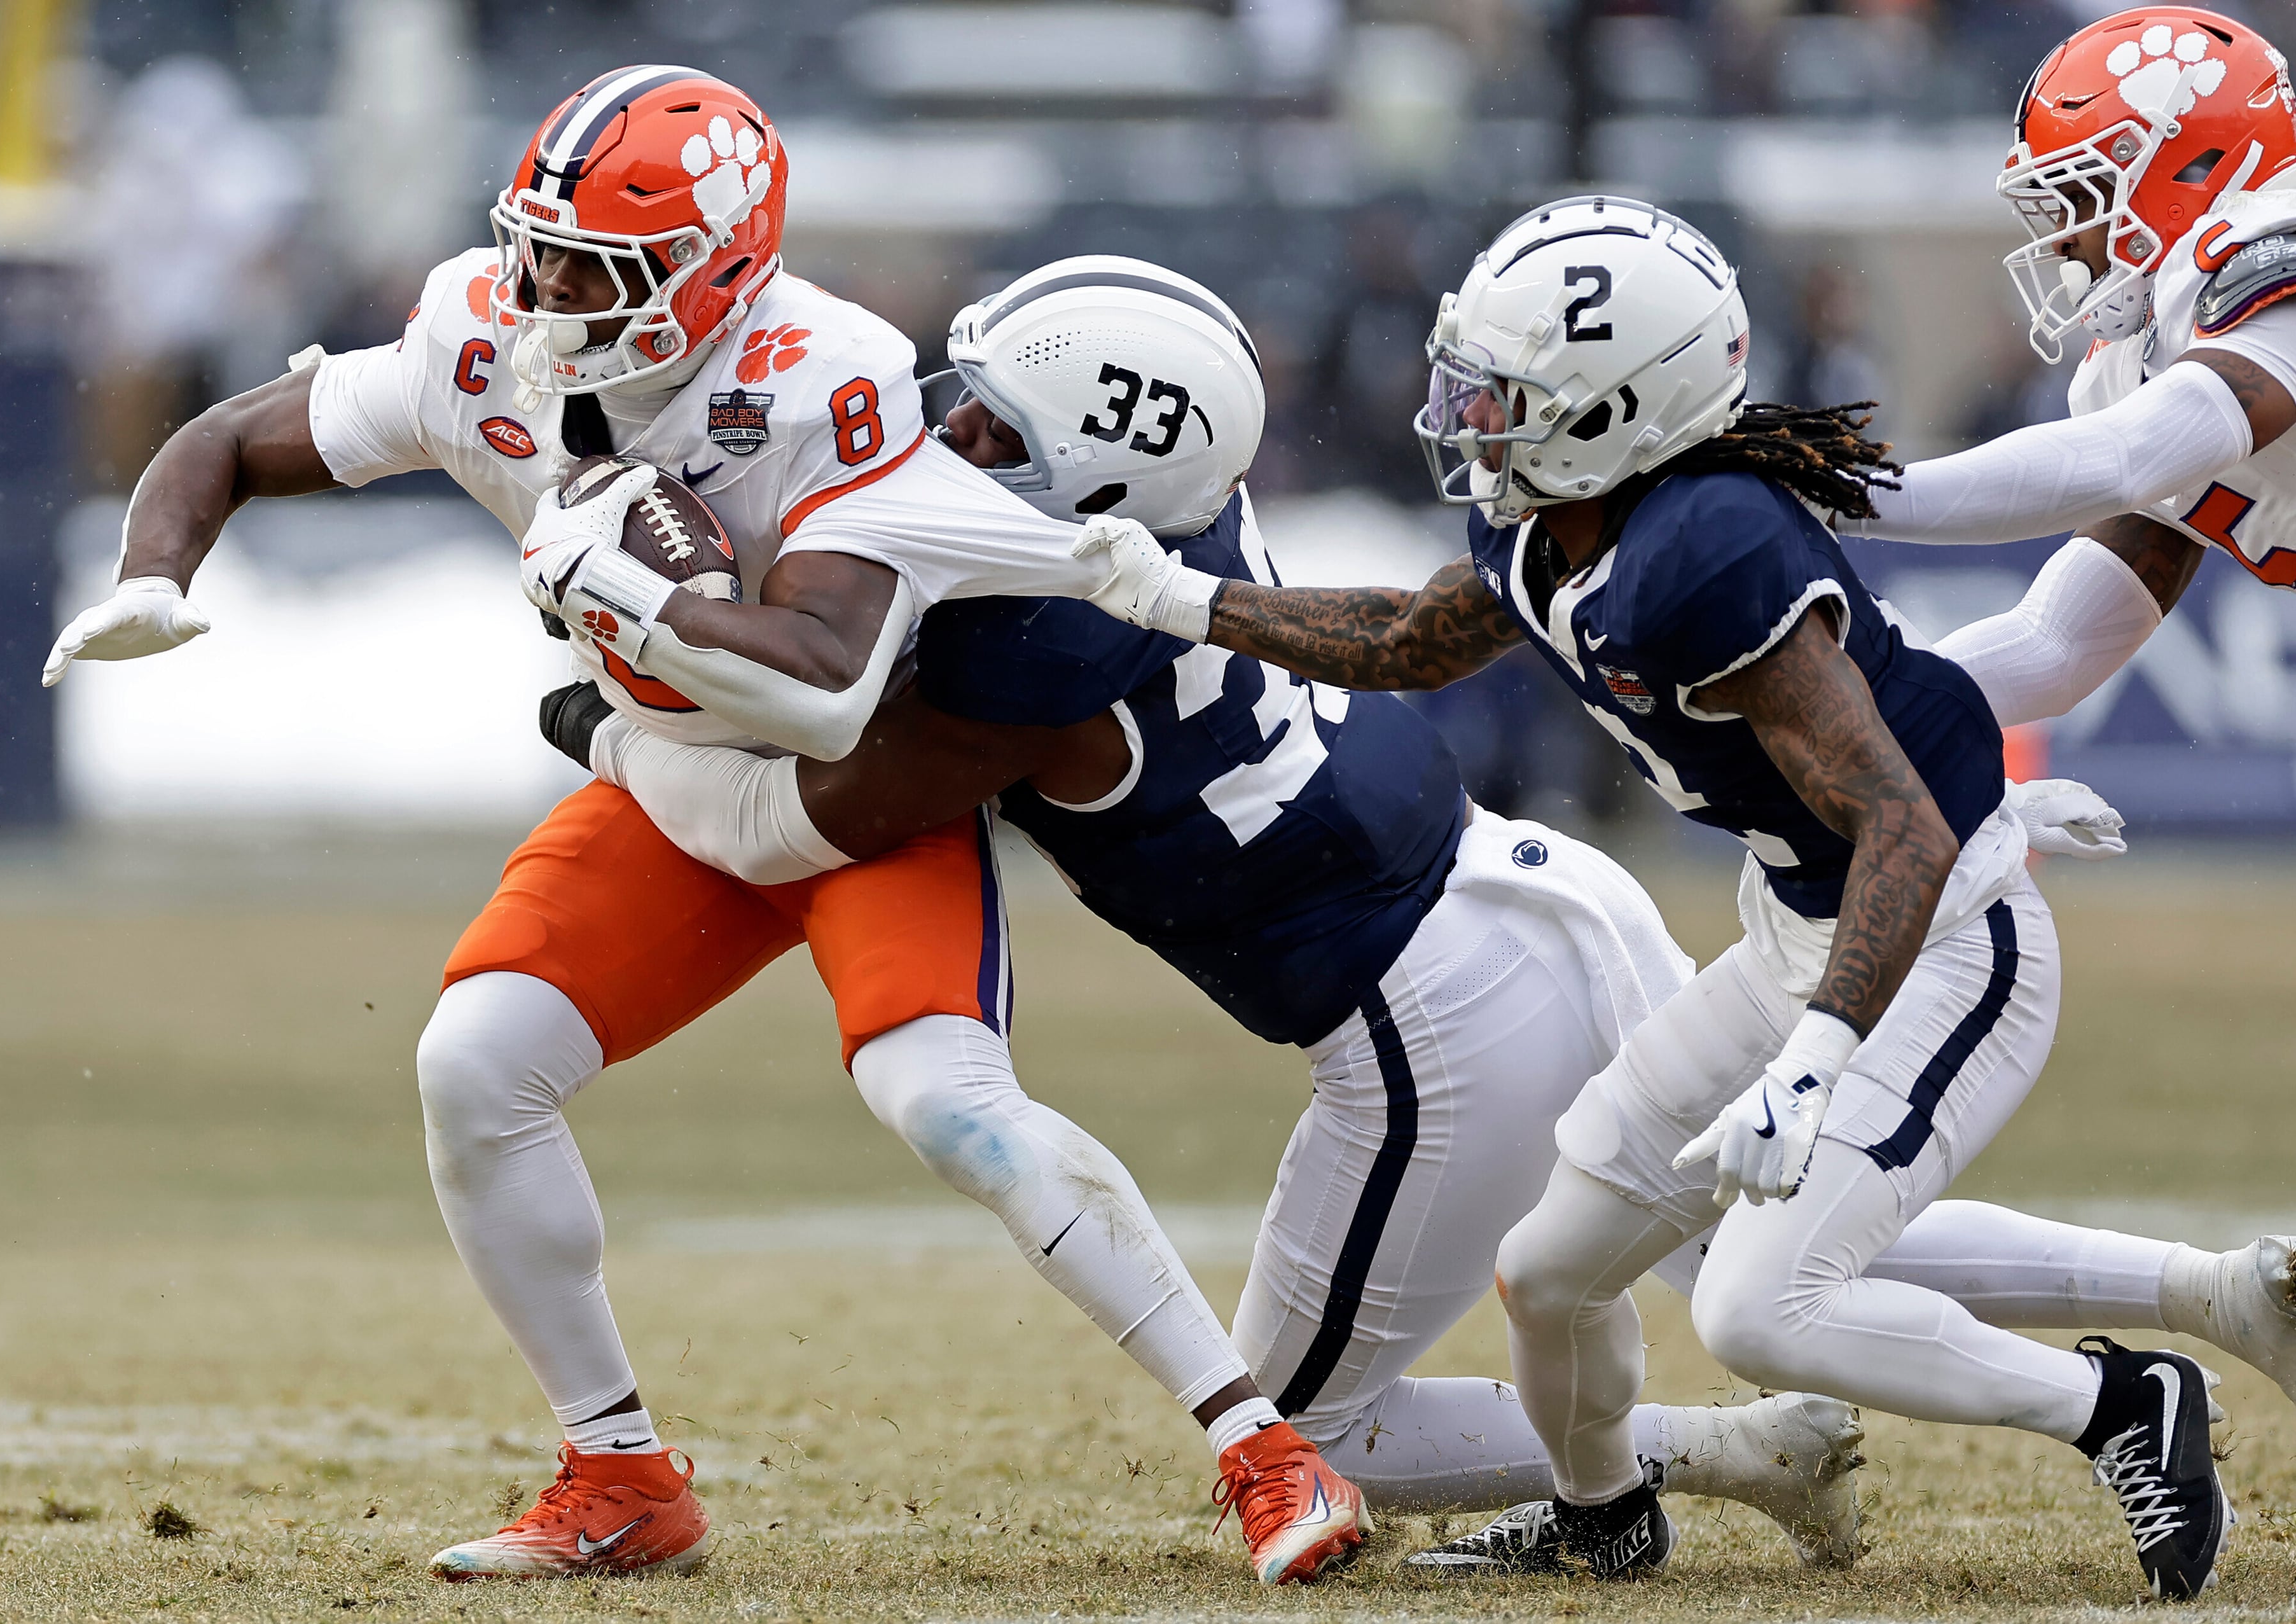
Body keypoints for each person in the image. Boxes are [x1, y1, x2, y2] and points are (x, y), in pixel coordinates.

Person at [37, 68, 1359, 1587]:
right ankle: (618, 1473)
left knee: (953, 1106)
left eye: (592, 268)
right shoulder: (480, 336)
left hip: (854, 797)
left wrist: (632, 593)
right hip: (673, 786)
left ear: (717, 268)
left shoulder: (823, 376)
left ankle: (1261, 1445)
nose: (545, 293)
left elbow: (826, 686)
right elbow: (229, 440)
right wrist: (155, 571)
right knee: (474, 1065)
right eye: (539, 251)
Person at [543, 254, 1881, 1564]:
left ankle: (1750, 1450)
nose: (949, 433)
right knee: (1818, 1249)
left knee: (1321, 1434)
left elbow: (786, 825)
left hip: (1436, 1012)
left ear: (1101, 476)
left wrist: (608, 726)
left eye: (997, 428)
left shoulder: (1034, 647)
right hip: (1535, 896)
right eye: (969, 397)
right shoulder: (1164, 510)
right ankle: (1830, 1426)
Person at [1065, 197, 2236, 1599]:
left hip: (1939, 937)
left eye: (1502, 393)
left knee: (1760, 1306)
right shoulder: (1560, 523)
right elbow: (1408, 638)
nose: (1467, 416)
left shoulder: (1707, 549)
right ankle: (1602, 1510)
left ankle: (2119, 1402)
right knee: (1552, 1268)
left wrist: (1812, 1062)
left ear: (1615, 408)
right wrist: (1181, 602)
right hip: (1800, 925)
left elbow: (1902, 827)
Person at [1843, 8, 2296, 732]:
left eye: (2084, 195)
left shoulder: (2274, 253)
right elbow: (2055, 644)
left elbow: (2124, 458)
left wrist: (1843, 491)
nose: (2062, 241)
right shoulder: (2148, 353)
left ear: (2192, 166)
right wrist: (1858, 724)